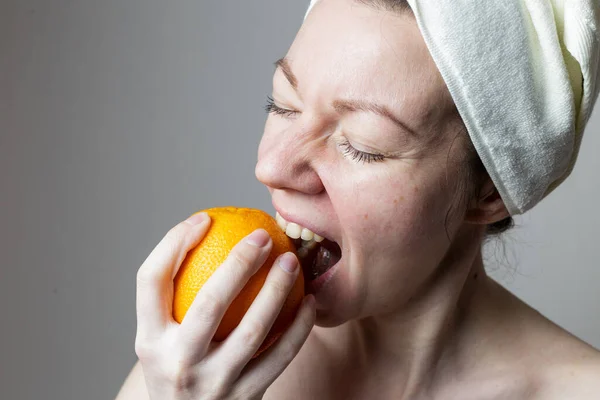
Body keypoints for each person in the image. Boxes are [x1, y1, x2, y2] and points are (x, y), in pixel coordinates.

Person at [116, 0, 600, 398]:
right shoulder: (199, 371)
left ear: (489, 191)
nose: (272, 168)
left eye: (363, 146)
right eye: (282, 105)